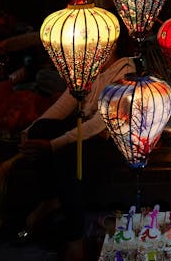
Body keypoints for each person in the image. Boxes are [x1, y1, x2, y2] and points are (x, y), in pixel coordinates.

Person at [16, 50, 135, 261]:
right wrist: (29, 132)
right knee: (41, 129)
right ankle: (50, 199)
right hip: (85, 133)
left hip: (108, 141)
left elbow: (101, 123)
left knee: (65, 154)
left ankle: (75, 238)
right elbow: (64, 104)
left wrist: (53, 145)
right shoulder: (89, 68)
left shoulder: (125, 70)